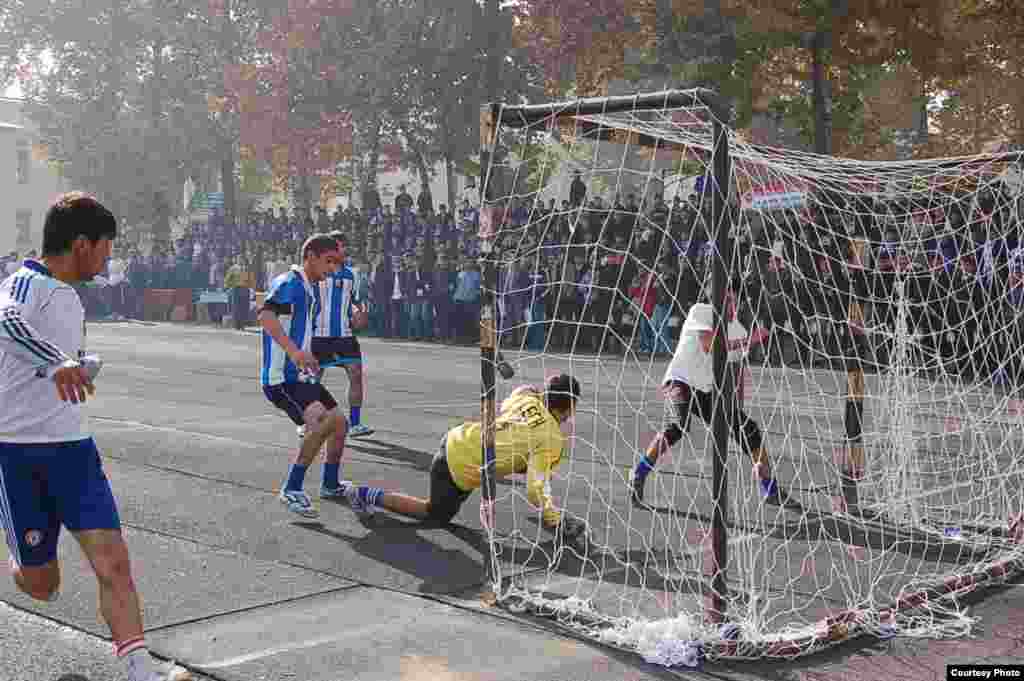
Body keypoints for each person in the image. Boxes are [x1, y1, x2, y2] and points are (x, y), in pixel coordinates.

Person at [0, 193, 191, 681]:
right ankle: (22, 559)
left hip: (74, 452)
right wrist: (59, 361)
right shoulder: (25, 282)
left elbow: (47, 368)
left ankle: (140, 671)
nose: (108, 260)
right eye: (105, 248)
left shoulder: (68, 294)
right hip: (16, 454)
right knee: (42, 586)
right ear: (80, 243)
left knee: (114, 565)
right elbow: (5, 321)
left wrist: (77, 366)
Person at [343, 374, 591, 545]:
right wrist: (555, 520)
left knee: (447, 505)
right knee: (434, 514)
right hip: (462, 462)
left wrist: (530, 391)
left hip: (459, 437)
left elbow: (516, 394)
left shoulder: (526, 400)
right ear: (570, 407)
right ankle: (362, 493)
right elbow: (535, 488)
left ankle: (363, 494)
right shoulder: (552, 439)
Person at [630, 288, 788, 507]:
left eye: (735, 301)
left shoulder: (736, 329)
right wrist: (751, 340)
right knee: (678, 425)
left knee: (748, 428)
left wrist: (734, 407)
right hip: (679, 380)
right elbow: (709, 344)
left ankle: (769, 486)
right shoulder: (702, 311)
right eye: (729, 300)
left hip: (705, 389)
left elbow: (736, 367)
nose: (734, 306)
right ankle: (639, 474)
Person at [259, 234, 349, 518]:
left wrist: (310, 357)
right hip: (282, 380)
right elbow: (266, 317)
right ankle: (292, 488)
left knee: (340, 425)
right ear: (310, 256)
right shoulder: (290, 283)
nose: (333, 268)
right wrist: (295, 353)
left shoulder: (309, 289)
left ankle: (330, 484)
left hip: (302, 377)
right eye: (329, 261)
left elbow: (303, 332)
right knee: (321, 423)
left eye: (337, 263)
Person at [310, 231, 373, 438]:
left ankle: (355, 424)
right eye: (339, 246)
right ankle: (308, 421)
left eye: (344, 247)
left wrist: (361, 313)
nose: (342, 250)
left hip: (345, 335)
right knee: (313, 379)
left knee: (356, 375)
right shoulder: (315, 271)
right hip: (319, 334)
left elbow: (357, 300)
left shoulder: (351, 274)